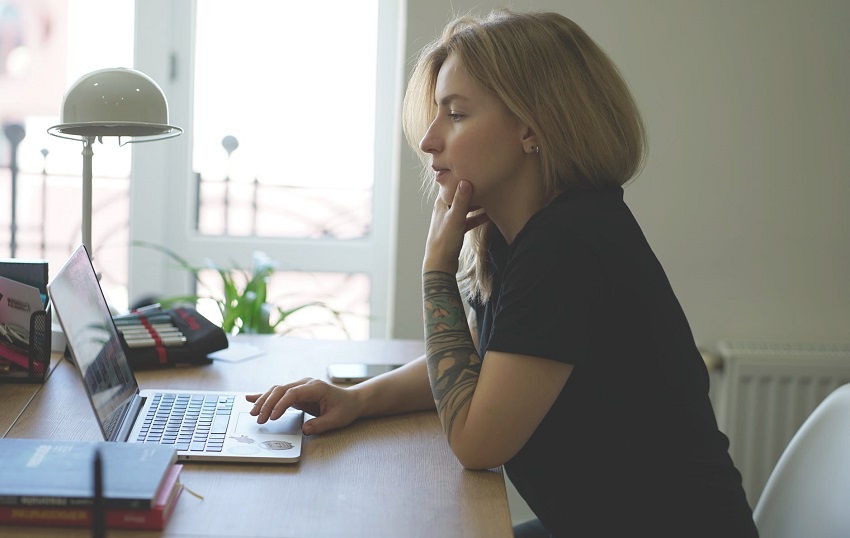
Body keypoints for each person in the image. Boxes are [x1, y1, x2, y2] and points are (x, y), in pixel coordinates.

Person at [248, 8, 758, 537]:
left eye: (457, 114)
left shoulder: (569, 244)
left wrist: (436, 271)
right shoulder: (525, 234)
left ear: (532, 128)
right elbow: (482, 355)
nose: (429, 141)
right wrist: (357, 399)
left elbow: (475, 443)